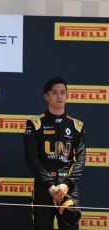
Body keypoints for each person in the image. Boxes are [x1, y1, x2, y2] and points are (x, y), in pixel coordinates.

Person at [24, 77, 85, 230]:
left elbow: (80, 160)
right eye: (55, 92)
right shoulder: (35, 123)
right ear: (46, 96)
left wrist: (66, 184)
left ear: (67, 96)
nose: (59, 96)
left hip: (67, 189)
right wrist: (50, 185)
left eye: (63, 92)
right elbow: (31, 158)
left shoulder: (77, 126)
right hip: (44, 188)